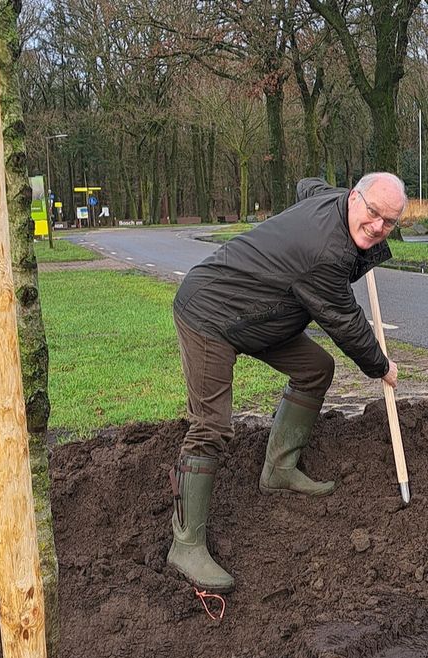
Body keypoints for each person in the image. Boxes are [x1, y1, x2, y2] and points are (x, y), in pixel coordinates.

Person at [166, 172, 405, 592]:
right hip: (211, 314)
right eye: (372, 214)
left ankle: (278, 469)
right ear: (354, 199)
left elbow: (305, 185)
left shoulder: (331, 200)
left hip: (261, 316)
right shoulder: (325, 254)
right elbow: (347, 324)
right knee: (212, 426)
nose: (378, 228)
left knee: (315, 368)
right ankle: (185, 544)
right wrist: (381, 365)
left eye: (390, 222)